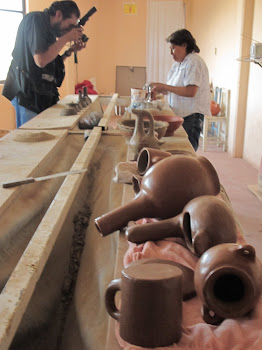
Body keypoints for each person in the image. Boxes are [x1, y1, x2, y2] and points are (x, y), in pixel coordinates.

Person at [2, 1, 86, 128]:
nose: (68, 30)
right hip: (27, 94)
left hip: (40, 93)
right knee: (31, 140)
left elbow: (49, 63)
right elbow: (40, 60)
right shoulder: (35, 20)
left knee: (44, 136)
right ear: (58, 14)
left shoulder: (50, 30)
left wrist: (69, 51)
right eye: (69, 25)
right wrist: (66, 38)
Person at [150, 29, 211, 151]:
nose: (171, 53)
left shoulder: (194, 62)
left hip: (191, 115)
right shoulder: (178, 65)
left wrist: (165, 87)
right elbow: (173, 89)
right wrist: (158, 88)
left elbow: (190, 91)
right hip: (180, 114)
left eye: (173, 48)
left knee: (186, 151)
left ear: (184, 45)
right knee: (178, 150)